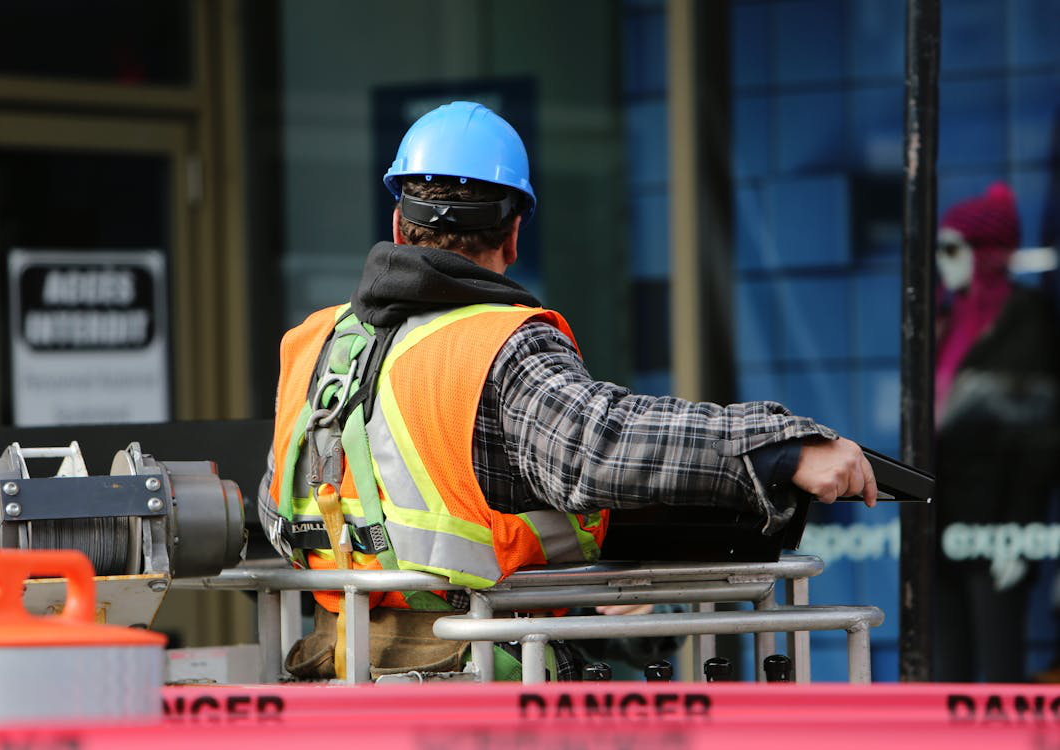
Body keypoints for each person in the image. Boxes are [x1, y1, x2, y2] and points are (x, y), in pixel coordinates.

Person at [258, 101, 877, 681]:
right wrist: (782, 448)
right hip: (476, 689)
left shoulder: (313, 344)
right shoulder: (498, 345)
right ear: (514, 235)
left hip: (336, 680)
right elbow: (598, 445)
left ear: (397, 222)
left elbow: (277, 504)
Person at [932, 182, 1060, 682]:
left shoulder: (1026, 321)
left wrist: (1019, 532)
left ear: (985, 252)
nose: (943, 262)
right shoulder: (943, 320)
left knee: (999, 667)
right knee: (947, 671)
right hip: (942, 521)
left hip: (997, 523)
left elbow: (1038, 437)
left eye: (952, 248)